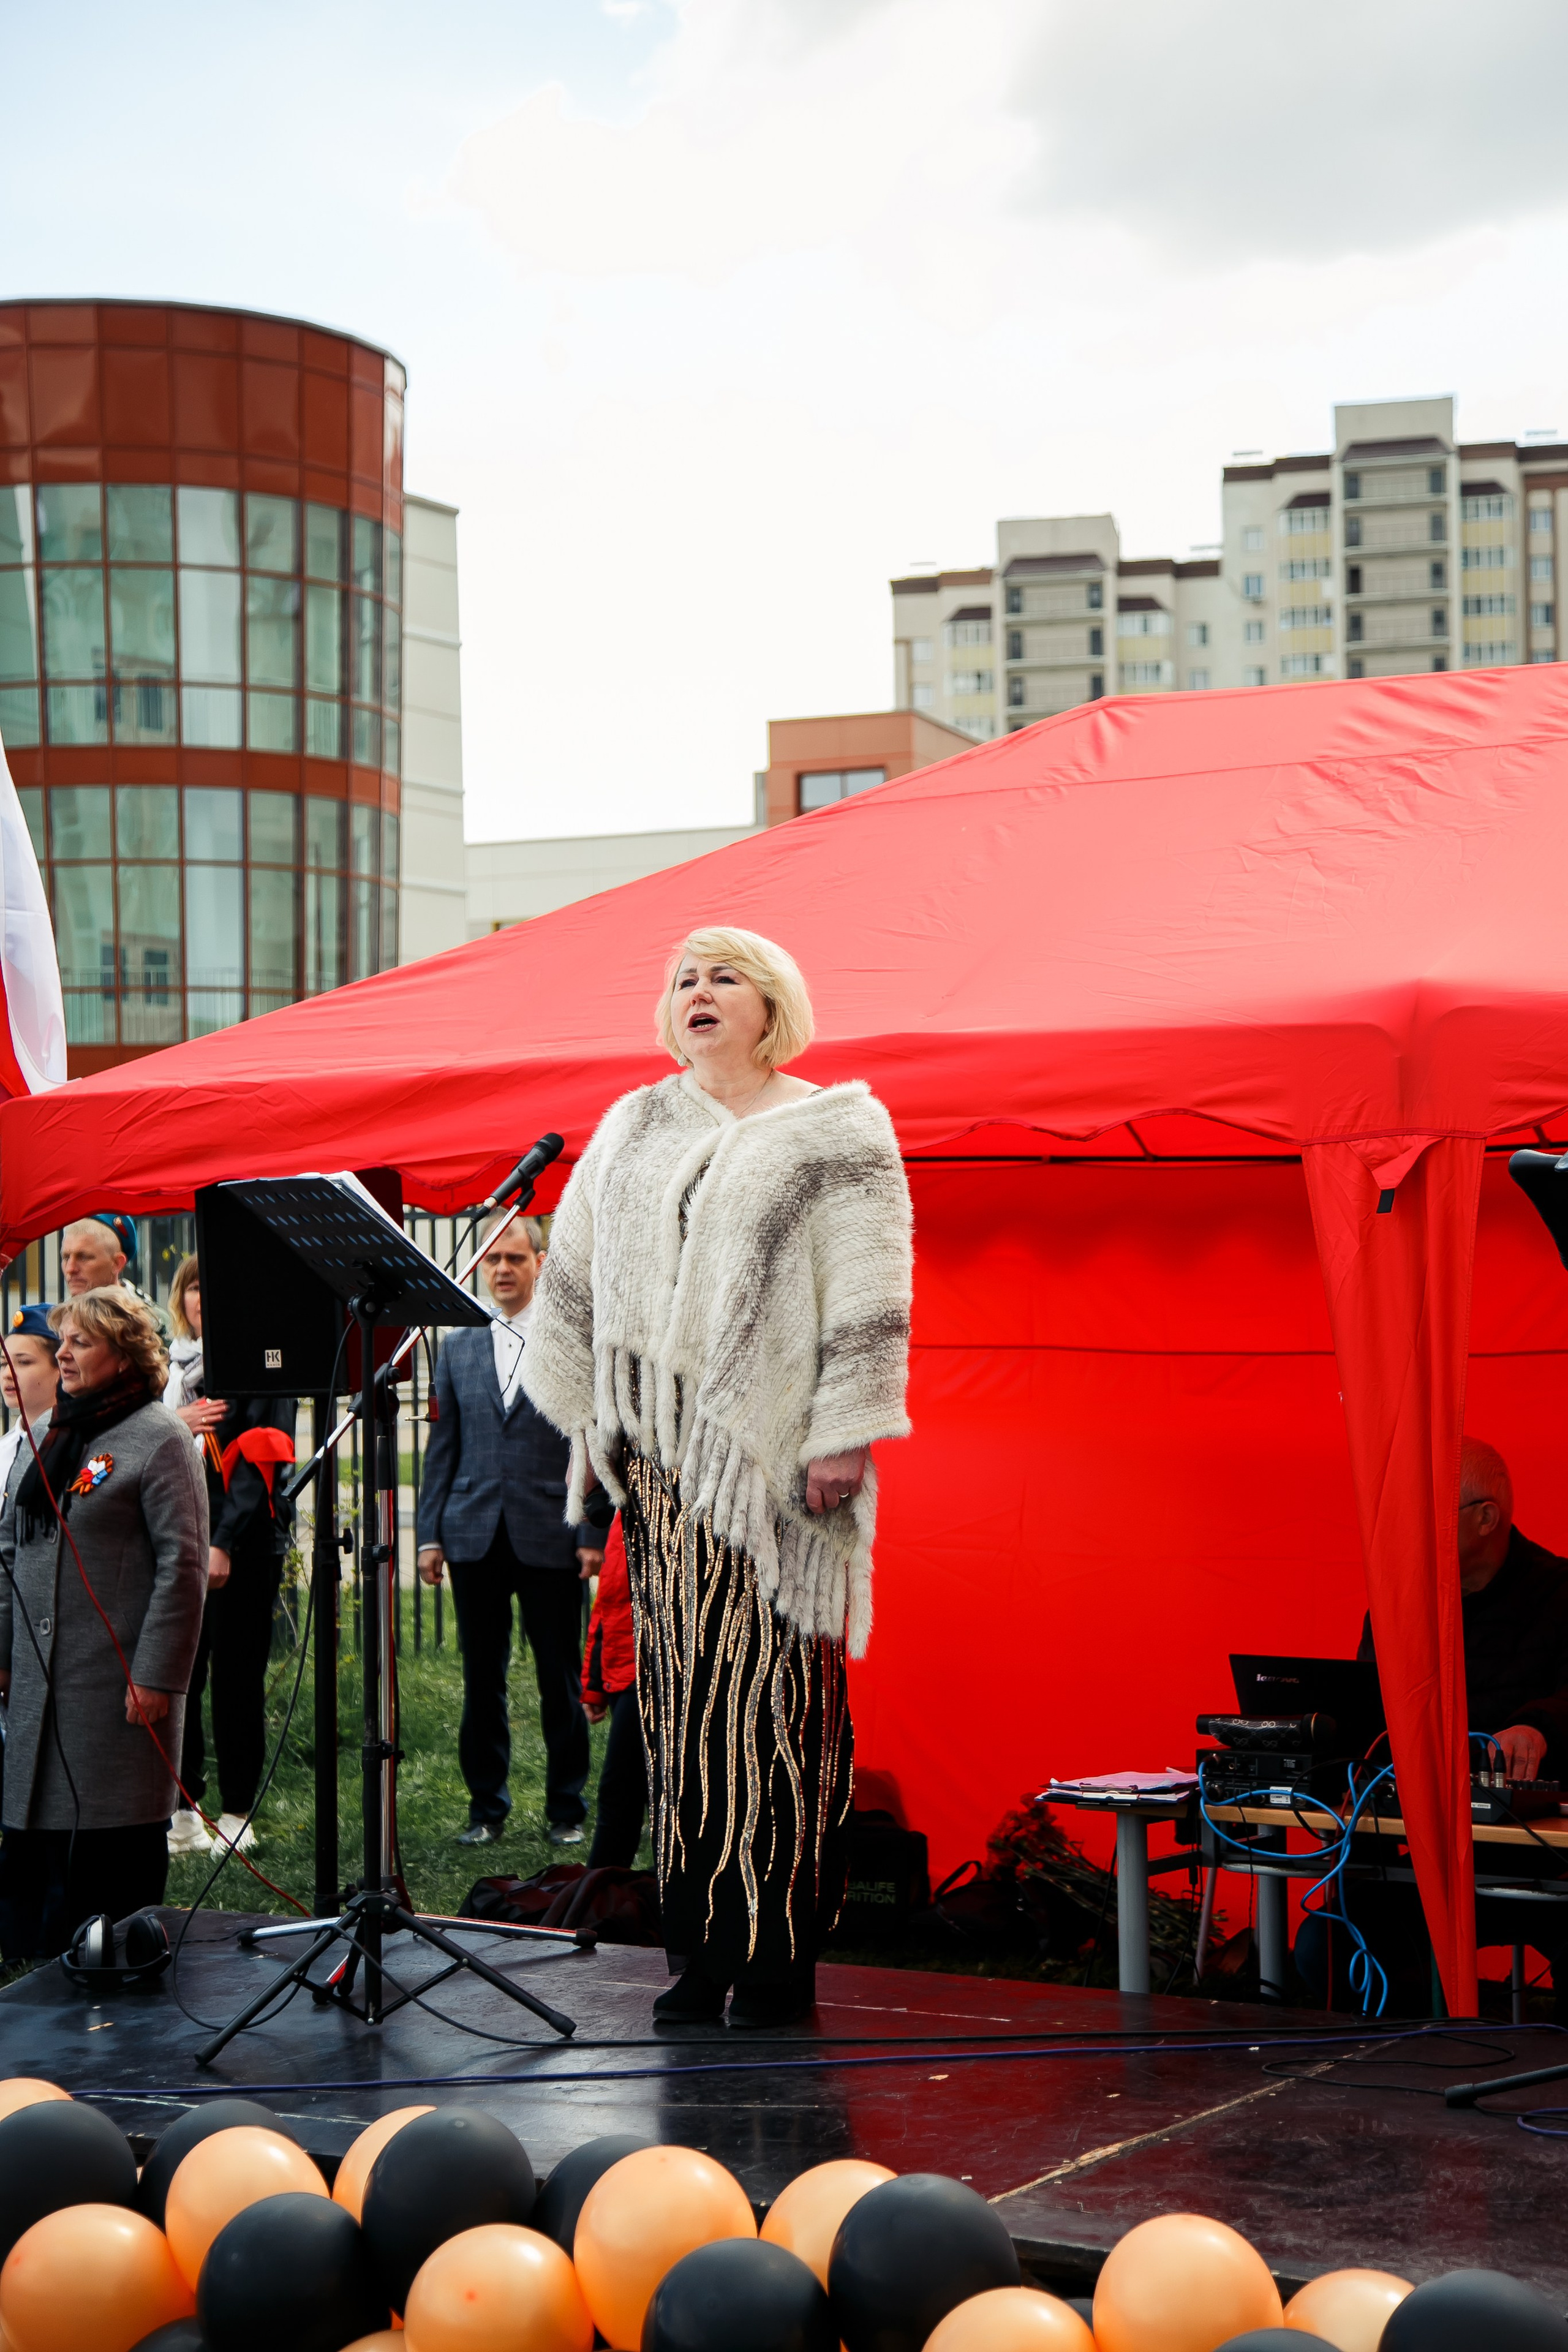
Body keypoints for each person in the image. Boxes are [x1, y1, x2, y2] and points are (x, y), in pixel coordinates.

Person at [524, 925, 913, 2027]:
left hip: (781, 1466)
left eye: (723, 976)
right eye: (685, 979)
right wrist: (605, 1412)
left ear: (771, 1001)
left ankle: (779, 1955)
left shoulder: (837, 1127)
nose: (699, 992)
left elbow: (872, 1297)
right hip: (665, 1470)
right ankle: (696, 1951)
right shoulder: (637, 1123)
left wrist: (845, 1430)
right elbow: (580, 1272)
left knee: (775, 1711)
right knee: (684, 1710)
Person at [1298, 1434, 1568, 2015]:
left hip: (1545, 1857)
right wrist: (1350, 1769)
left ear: (1486, 1518)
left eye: (1427, 1513)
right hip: (1432, 1857)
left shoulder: (1561, 1592)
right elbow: (1373, 1715)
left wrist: (1539, 1727)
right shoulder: (1402, 1607)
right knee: (1327, 1943)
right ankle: (1403, 2069)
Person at [0, 1287, 206, 1961]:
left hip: (115, 1689)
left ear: (124, 1355)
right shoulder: (50, 1435)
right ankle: (41, 1966)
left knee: (110, 1856)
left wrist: (156, 1677)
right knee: (37, 1844)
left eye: (80, 1342)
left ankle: (115, 1967)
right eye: (61, 1341)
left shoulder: (160, 1437)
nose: (63, 1353)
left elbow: (184, 1567)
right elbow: (8, 1553)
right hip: (38, 1687)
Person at [417, 1215, 608, 1849]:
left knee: (558, 1678)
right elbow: (442, 1445)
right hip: (473, 1533)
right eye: (493, 1259)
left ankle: (566, 1809)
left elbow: (592, 1438)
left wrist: (590, 1531)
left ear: (540, 1263)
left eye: (515, 1259)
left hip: (550, 1531)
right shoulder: (458, 1346)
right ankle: (486, 1809)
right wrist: (429, 1534)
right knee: (482, 1677)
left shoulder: (572, 1342)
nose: (502, 1270)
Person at [162, 1254, 296, 1858]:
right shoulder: (172, 1369)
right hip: (176, 1546)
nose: (199, 1299)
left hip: (239, 1549)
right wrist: (175, 1420)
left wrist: (222, 1540)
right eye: (192, 1289)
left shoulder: (262, 1364)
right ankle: (183, 1809)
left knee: (236, 1682)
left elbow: (261, 1463)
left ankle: (237, 1811)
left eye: (209, 1289)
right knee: (179, 1679)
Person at [581, 1515, 646, 1868]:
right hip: (629, 1669)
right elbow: (610, 1597)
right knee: (620, 1789)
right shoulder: (628, 1511)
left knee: (625, 1788)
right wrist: (594, 1683)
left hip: (678, 1669)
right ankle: (601, 1890)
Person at [61, 1214, 171, 1340]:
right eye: (66, 1257)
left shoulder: (151, 1322)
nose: (70, 1269)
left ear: (117, 1263)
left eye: (84, 1257)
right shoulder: (59, 1319)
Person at [0, 1308, 61, 1488]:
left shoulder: (78, 1447)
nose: (7, 1374)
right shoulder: (4, 1448)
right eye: (4, 1363)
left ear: (61, 1368)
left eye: (24, 1362)